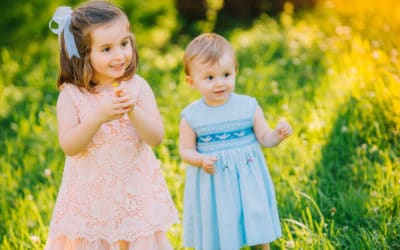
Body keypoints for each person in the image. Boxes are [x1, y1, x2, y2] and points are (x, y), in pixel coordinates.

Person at [45, 1, 178, 249]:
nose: (120, 55)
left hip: (134, 198)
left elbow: (156, 137)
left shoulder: (138, 87)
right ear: (83, 55)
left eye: (124, 44)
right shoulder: (72, 96)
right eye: (106, 49)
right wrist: (98, 116)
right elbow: (70, 146)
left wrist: (133, 111)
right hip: (91, 203)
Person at [179, 33, 293, 250]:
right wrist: (201, 160)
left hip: (248, 181)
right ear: (191, 82)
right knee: (220, 227)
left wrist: (277, 135)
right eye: (209, 78)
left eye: (226, 74)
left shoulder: (248, 106)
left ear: (235, 72)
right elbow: (185, 150)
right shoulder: (191, 116)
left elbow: (264, 138)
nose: (220, 83)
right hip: (214, 184)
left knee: (255, 218)